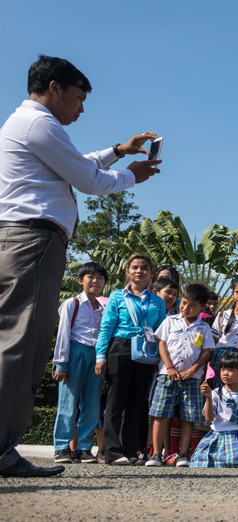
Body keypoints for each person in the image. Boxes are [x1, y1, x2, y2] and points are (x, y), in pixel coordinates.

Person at [0, 55, 159, 477]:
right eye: (79, 97)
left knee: (17, 342)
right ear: (55, 87)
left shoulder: (30, 126)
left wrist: (116, 151)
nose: (81, 108)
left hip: (24, 239)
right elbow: (88, 180)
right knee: (21, 346)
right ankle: (1, 448)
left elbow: (78, 163)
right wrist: (131, 175)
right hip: (33, 240)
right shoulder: (40, 124)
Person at [95, 252, 166, 465]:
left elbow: (161, 331)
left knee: (136, 403)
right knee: (116, 400)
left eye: (144, 267)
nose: (139, 271)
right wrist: (100, 356)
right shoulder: (118, 296)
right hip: (121, 347)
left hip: (145, 352)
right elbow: (106, 327)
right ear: (128, 271)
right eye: (134, 267)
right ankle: (113, 452)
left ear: (151, 273)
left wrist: (158, 361)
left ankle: (130, 450)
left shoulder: (157, 302)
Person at [146, 284, 215, 467]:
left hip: (192, 377)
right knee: (160, 414)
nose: (185, 308)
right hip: (167, 375)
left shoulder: (204, 328)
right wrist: (169, 367)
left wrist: (192, 370)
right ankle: (156, 453)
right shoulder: (170, 321)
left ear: (201, 308)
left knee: (189, 416)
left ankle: (184, 454)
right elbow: (162, 344)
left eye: (191, 305)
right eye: (183, 303)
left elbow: (207, 352)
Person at [51, 261, 108, 464]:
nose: (95, 281)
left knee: (92, 405)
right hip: (75, 352)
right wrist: (61, 364)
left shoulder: (104, 306)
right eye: (90, 277)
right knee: (68, 403)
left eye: (100, 278)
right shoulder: (72, 303)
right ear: (80, 281)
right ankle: (62, 447)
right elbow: (63, 334)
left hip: (97, 356)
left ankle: (84, 448)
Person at [190, 353, 238, 468]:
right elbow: (209, 419)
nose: (225, 373)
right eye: (222, 369)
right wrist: (208, 398)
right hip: (219, 435)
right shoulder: (215, 394)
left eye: (230, 370)